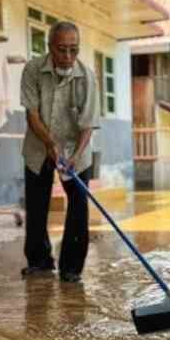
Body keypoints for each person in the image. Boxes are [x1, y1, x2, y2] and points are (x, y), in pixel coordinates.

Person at [20, 21, 101, 283]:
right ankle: (40, 261)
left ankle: (71, 268)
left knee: (78, 206)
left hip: (77, 148)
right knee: (36, 204)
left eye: (73, 50)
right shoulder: (32, 70)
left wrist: (75, 156)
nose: (68, 57)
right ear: (50, 47)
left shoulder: (87, 77)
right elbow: (32, 114)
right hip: (38, 145)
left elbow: (88, 125)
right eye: (62, 50)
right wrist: (50, 145)